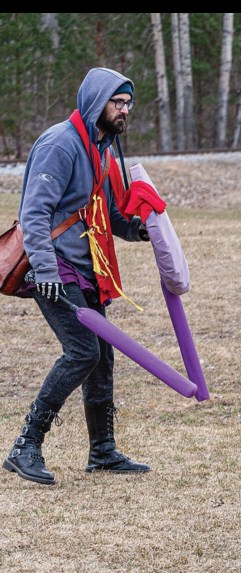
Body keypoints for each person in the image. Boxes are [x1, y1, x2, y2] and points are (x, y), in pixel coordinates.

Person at [3, 67, 152, 486]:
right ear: (95, 102)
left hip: (86, 268)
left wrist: (135, 229)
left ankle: (102, 450)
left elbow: (101, 211)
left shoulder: (99, 146)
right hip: (52, 266)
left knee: (102, 355)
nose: (124, 110)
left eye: (128, 103)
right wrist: (47, 271)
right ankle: (25, 446)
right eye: (116, 103)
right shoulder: (61, 143)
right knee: (83, 351)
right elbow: (35, 213)